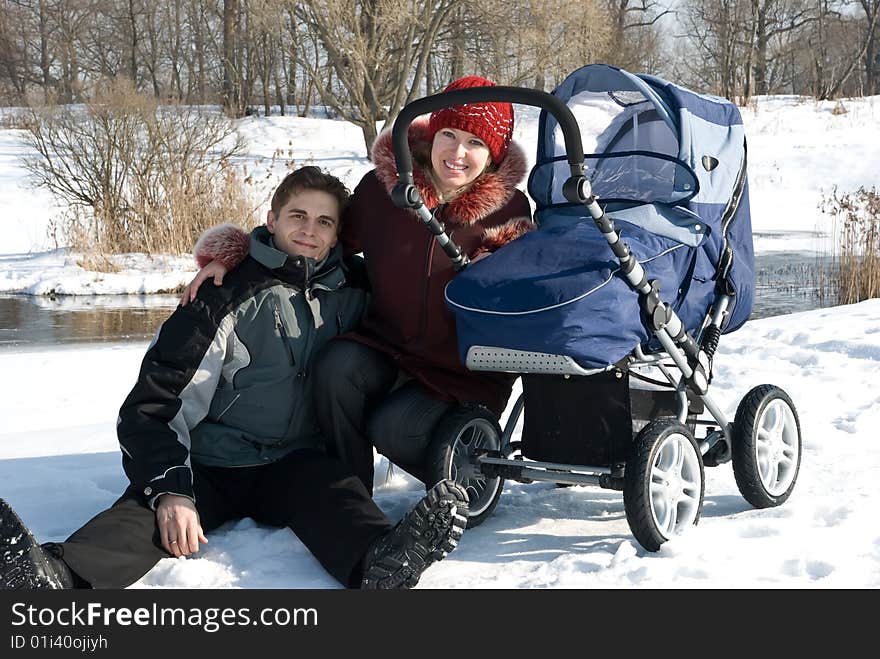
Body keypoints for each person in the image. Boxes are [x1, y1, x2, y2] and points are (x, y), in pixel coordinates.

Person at [0, 166, 468, 591]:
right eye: (297, 215)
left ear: (338, 234)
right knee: (149, 516)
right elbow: (154, 403)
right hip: (214, 461)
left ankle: (382, 563)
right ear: (272, 218)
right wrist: (170, 490)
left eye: (324, 222)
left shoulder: (356, 289)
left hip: (294, 463)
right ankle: (56, 577)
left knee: (335, 494)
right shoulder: (222, 294)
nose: (309, 229)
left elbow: (413, 301)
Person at [182, 76, 533, 494]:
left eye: (475, 143)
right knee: (335, 366)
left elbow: (519, 299)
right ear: (432, 133)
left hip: (462, 370)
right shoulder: (384, 189)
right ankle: (350, 494)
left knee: (391, 426)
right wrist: (235, 255)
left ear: (493, 154)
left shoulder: (509, 209)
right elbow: (316, 241)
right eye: (449, 134)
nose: (458, 153)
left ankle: (460, 473)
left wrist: (491, 273)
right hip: (388, 348)